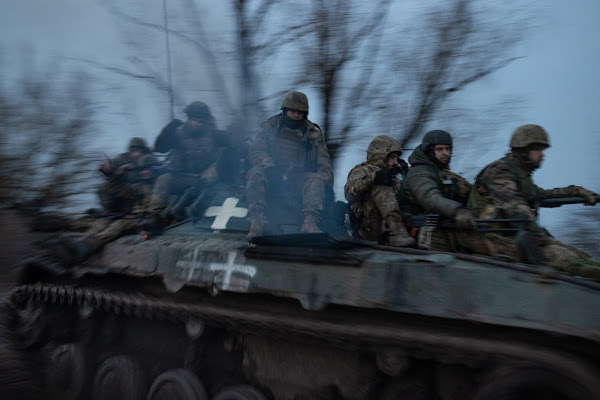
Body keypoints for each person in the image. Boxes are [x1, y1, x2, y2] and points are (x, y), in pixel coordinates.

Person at [466, 124, 600, 279]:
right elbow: (515, 208)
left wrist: (575, 191)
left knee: (580, 256)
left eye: (542, 150)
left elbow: (540, 196)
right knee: (566, 258)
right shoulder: (500, 171)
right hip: (488, 237)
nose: (542, 155)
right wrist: (543, 237)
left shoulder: (520, 174)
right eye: (537, 149)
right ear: (522, 150)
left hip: (514, 236)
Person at [246, 91, 333, 239]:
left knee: (316, 179)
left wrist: (327, 186)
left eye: (300, 112)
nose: (297, 115)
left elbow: (324, 163)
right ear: (285, 110)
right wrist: (270, 168)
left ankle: (309, 223)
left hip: (298, 179)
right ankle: (257, 220)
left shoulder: (313, 134)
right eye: (293, 110)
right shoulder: (270, 127)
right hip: (272, 176)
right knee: (255, 173)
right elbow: (257, 151)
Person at [53, 155, 159, 265]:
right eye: (143, 169)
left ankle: (85, 247)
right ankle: (76, 246)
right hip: (136, 218)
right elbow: (116, 188)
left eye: (149, 168)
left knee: (120, 224)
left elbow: (158, 210)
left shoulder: (162, 184)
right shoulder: (138, 187)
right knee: (101, 224)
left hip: (150, 222)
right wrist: (119, 172)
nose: (146, 172)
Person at [148, 101, 225, 222]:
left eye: (200, 121)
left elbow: (228, 155)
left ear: (206, 121)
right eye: (193, 119)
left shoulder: (215, 135)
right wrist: (167, 131)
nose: (196, 123)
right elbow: (160, 148)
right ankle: (154, 216)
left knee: (219, 165)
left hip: (204, 181)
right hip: (181, 178)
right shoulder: (178, 133)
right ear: (188, 119)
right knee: (163, 179)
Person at [402, 130, 476, 250]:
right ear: (429, 151)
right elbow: (430, 198)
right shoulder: (419, 173)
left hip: (445, 229)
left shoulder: (443, 174)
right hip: (425, 233)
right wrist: (458, 211)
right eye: (440, 149)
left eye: (448, 149)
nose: (445, 153)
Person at [345, 135, 415, 247]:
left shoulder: (393, 176)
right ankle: (398, 232)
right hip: (367, 227)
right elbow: (350, 193)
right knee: (382, 186)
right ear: (381, 155)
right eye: (392, 157)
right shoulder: (362, 170)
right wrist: (373, 178)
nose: (395, 162)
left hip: (387, 230)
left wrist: (405, 175)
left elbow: (405, 197)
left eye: (397, 158)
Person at [98, 137, 154, 213]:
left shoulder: (149, 158)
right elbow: (112, 166)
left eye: (139, 150)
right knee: (103, 186)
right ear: (130, 151)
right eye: (133, 151)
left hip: (144, 187)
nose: (136, 154)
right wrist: (107, 169)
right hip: (126, 188)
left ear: (143, 150)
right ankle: (110, 213)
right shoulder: (124, 159)